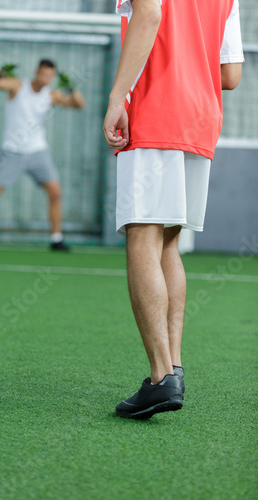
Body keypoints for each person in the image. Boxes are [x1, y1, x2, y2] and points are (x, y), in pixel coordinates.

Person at [103, 0, 244, 419]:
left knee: (142, 237)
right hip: (200, 118)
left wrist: (116, 97)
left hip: (153, 113)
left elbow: (148, 15)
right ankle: (173, 369)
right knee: (168, 243)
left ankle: (161, 377)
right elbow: (231, 75)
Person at [0, 59, 85, 251]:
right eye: (42, 74)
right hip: (12, 151)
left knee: (55, 192)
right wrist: (0, 72)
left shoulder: (51, 95)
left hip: (38, 152)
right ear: (36, 72)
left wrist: (70, 88)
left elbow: (78, 105)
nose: (45, 78)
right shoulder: (17, 86)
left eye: (49, 76)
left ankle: (56, 238)